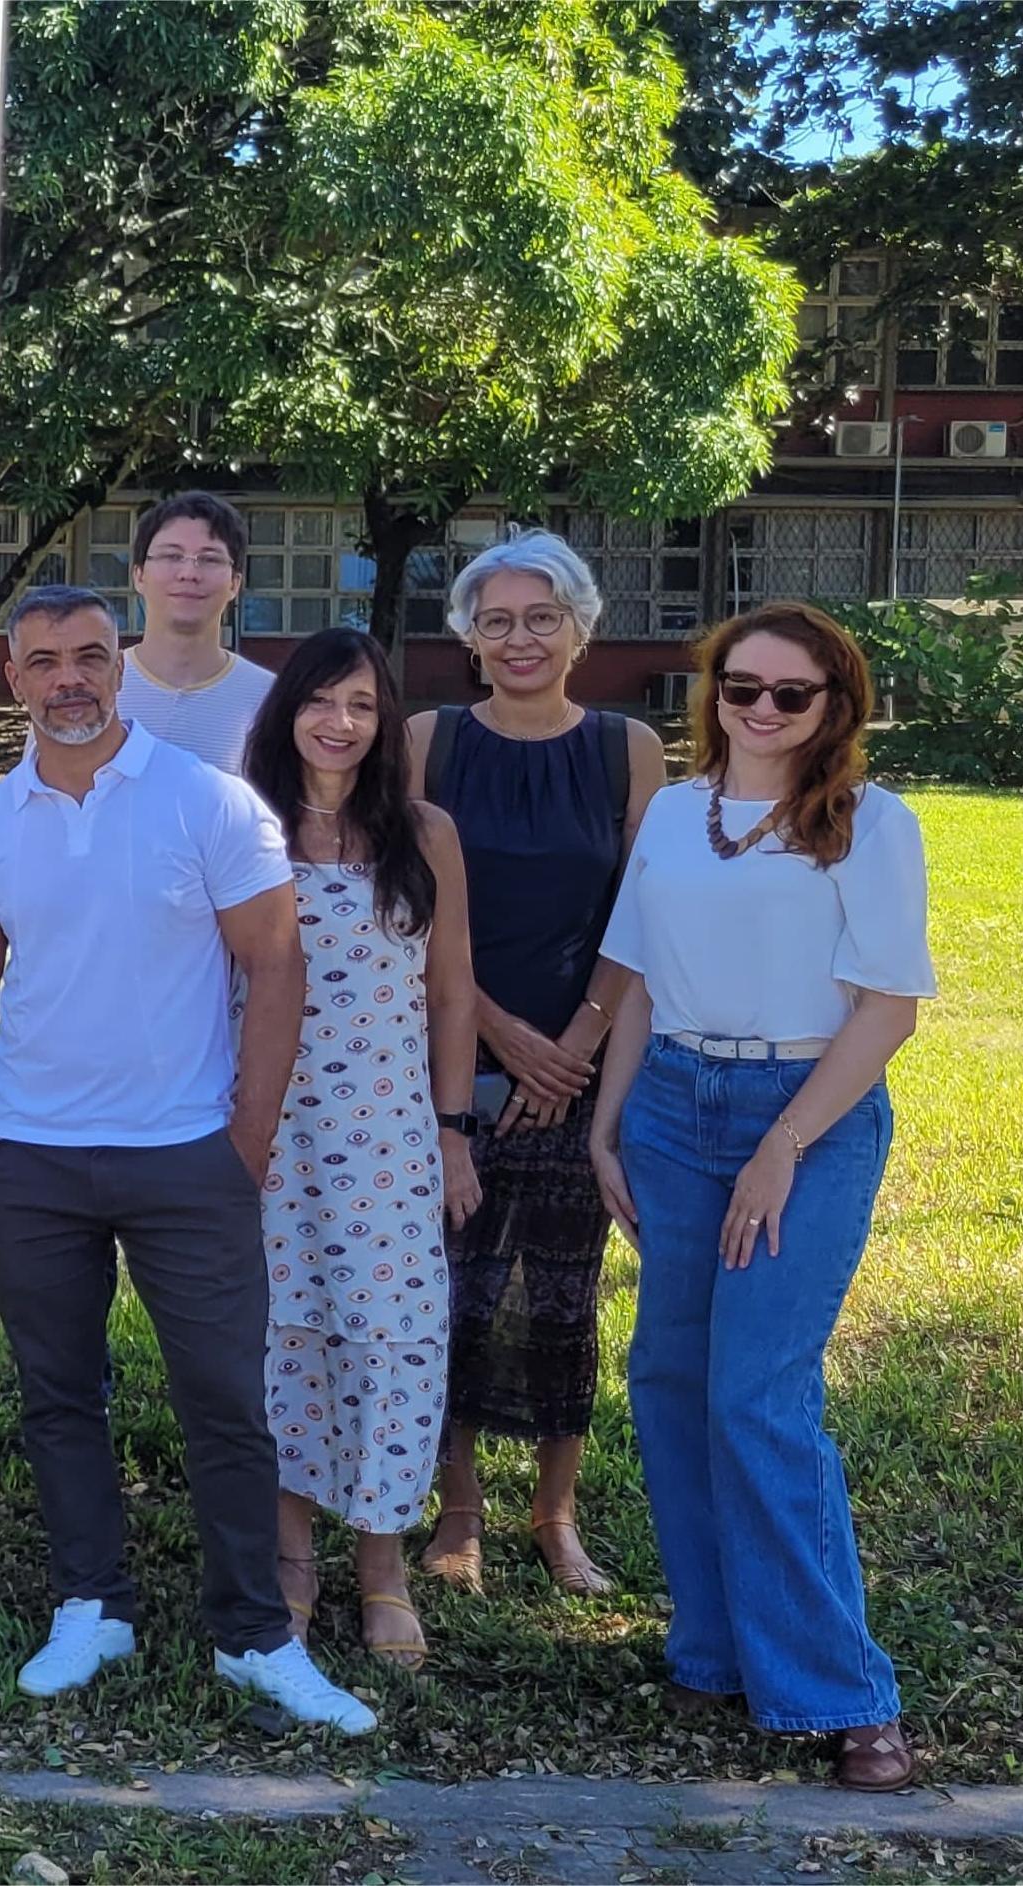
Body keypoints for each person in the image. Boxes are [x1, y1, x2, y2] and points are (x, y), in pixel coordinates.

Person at [0, 585, 376, 1734]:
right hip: (35, 1158)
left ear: (119, 666)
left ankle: (253, 1632)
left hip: (187, 1155)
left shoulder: (208, 803)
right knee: (58, 1393)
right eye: (41, 662)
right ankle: (93, 1603)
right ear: (11, 678)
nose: (66, 678)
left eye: (87, 656)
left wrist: (247, 1140)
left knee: (225, 1399)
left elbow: (276, 969)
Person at [591, 602, 933, 1792]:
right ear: (714, 694)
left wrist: (783, 1142)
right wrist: (604, 1119)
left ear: (836, 704)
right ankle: (717, 1647)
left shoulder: (870, 827)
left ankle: (844, 1691)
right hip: (675, 1107)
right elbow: (635, 980)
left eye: (796, 693)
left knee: (760, 1395)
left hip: (808, 1111)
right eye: (745, 687)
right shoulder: (676, 817)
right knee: (670, 1381)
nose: (766, 710)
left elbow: (886, 1007)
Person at [406, 531, 665, 1600]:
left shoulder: (626, 747)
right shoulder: (427, 740)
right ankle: (454, 1508)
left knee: (564, 1295)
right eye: (497, 620)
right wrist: (496, 1032)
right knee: (452, 1289)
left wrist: (578, 1044)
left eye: (540, 617)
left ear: (579, 629)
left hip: (584, 1064)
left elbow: (645, 913)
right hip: (448, 1059)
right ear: (468, 637)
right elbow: (402, 909)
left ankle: (554, 1513)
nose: (519, 638)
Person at [237, 628, 481, 1670]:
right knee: (282, 1336)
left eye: (362, 706)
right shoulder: (241, 828)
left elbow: (452, 989)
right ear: (284, 709)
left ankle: (379, 1564)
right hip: (265, 1129)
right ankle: (290, 1558)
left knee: (391, 1340)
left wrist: (453, 1126)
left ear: (385, 724)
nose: (338, 722)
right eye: (318, 701)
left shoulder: (422, 833)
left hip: (387, 1132)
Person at [114, 492, 274, 773]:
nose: (189, 573)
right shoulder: (92, 687)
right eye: (172, 556)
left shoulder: (269, 698)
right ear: (138, 575)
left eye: (209, 559)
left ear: (235, 583)